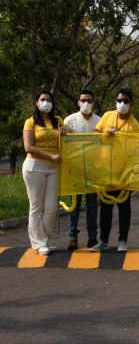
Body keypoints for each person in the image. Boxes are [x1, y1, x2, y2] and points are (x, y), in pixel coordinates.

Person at [91, 89, 139, 252]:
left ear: (131, 104)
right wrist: (105, 134)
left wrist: (133, 177)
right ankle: (103, 240)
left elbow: (137, 151)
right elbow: (95, 133)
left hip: (124, 172)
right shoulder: (107, 116)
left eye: (126, 101)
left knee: (123, 207)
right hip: (106, 169)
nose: (122, 104)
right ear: (115, 101)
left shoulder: (135, 125)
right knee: (105, 207)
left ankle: (123, 241)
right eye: (119, 100)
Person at [22, 91, 66, 255]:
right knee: (36, 206)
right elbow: (29, 147)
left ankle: (47, 239)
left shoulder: (58, 121)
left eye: (49, 100)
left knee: (51, 207)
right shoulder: (30, 122)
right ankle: (39, 243)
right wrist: (51, 156)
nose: (46, 102)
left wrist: (64, 135)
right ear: (37, 103)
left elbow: (66, 142)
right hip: (35, 166)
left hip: (53, 168)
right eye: (43, 99)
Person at [63, 90, 100, 250]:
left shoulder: (100, 121)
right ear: (78, 102)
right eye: (83, 100)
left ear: (94, 103)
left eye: (89, 100)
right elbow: (63, 143)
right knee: (74, 205)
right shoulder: (69, 121)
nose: (86, 103)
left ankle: (92, 238)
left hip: (93, 170)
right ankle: (72, 237)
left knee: (92, 206)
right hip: (74, 169)